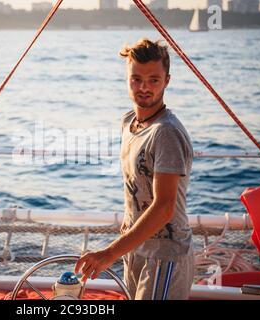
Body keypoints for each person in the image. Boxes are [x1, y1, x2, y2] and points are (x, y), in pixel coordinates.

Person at [75, 39, 194, 300]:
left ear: (167, 81)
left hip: (165, 255)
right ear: (127, 78)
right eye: (136, 79)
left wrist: (109, 253)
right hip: (135, 249)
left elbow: (164, 208)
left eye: (154, 80)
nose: (144, 87)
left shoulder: (166, 133)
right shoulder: (129, 122)